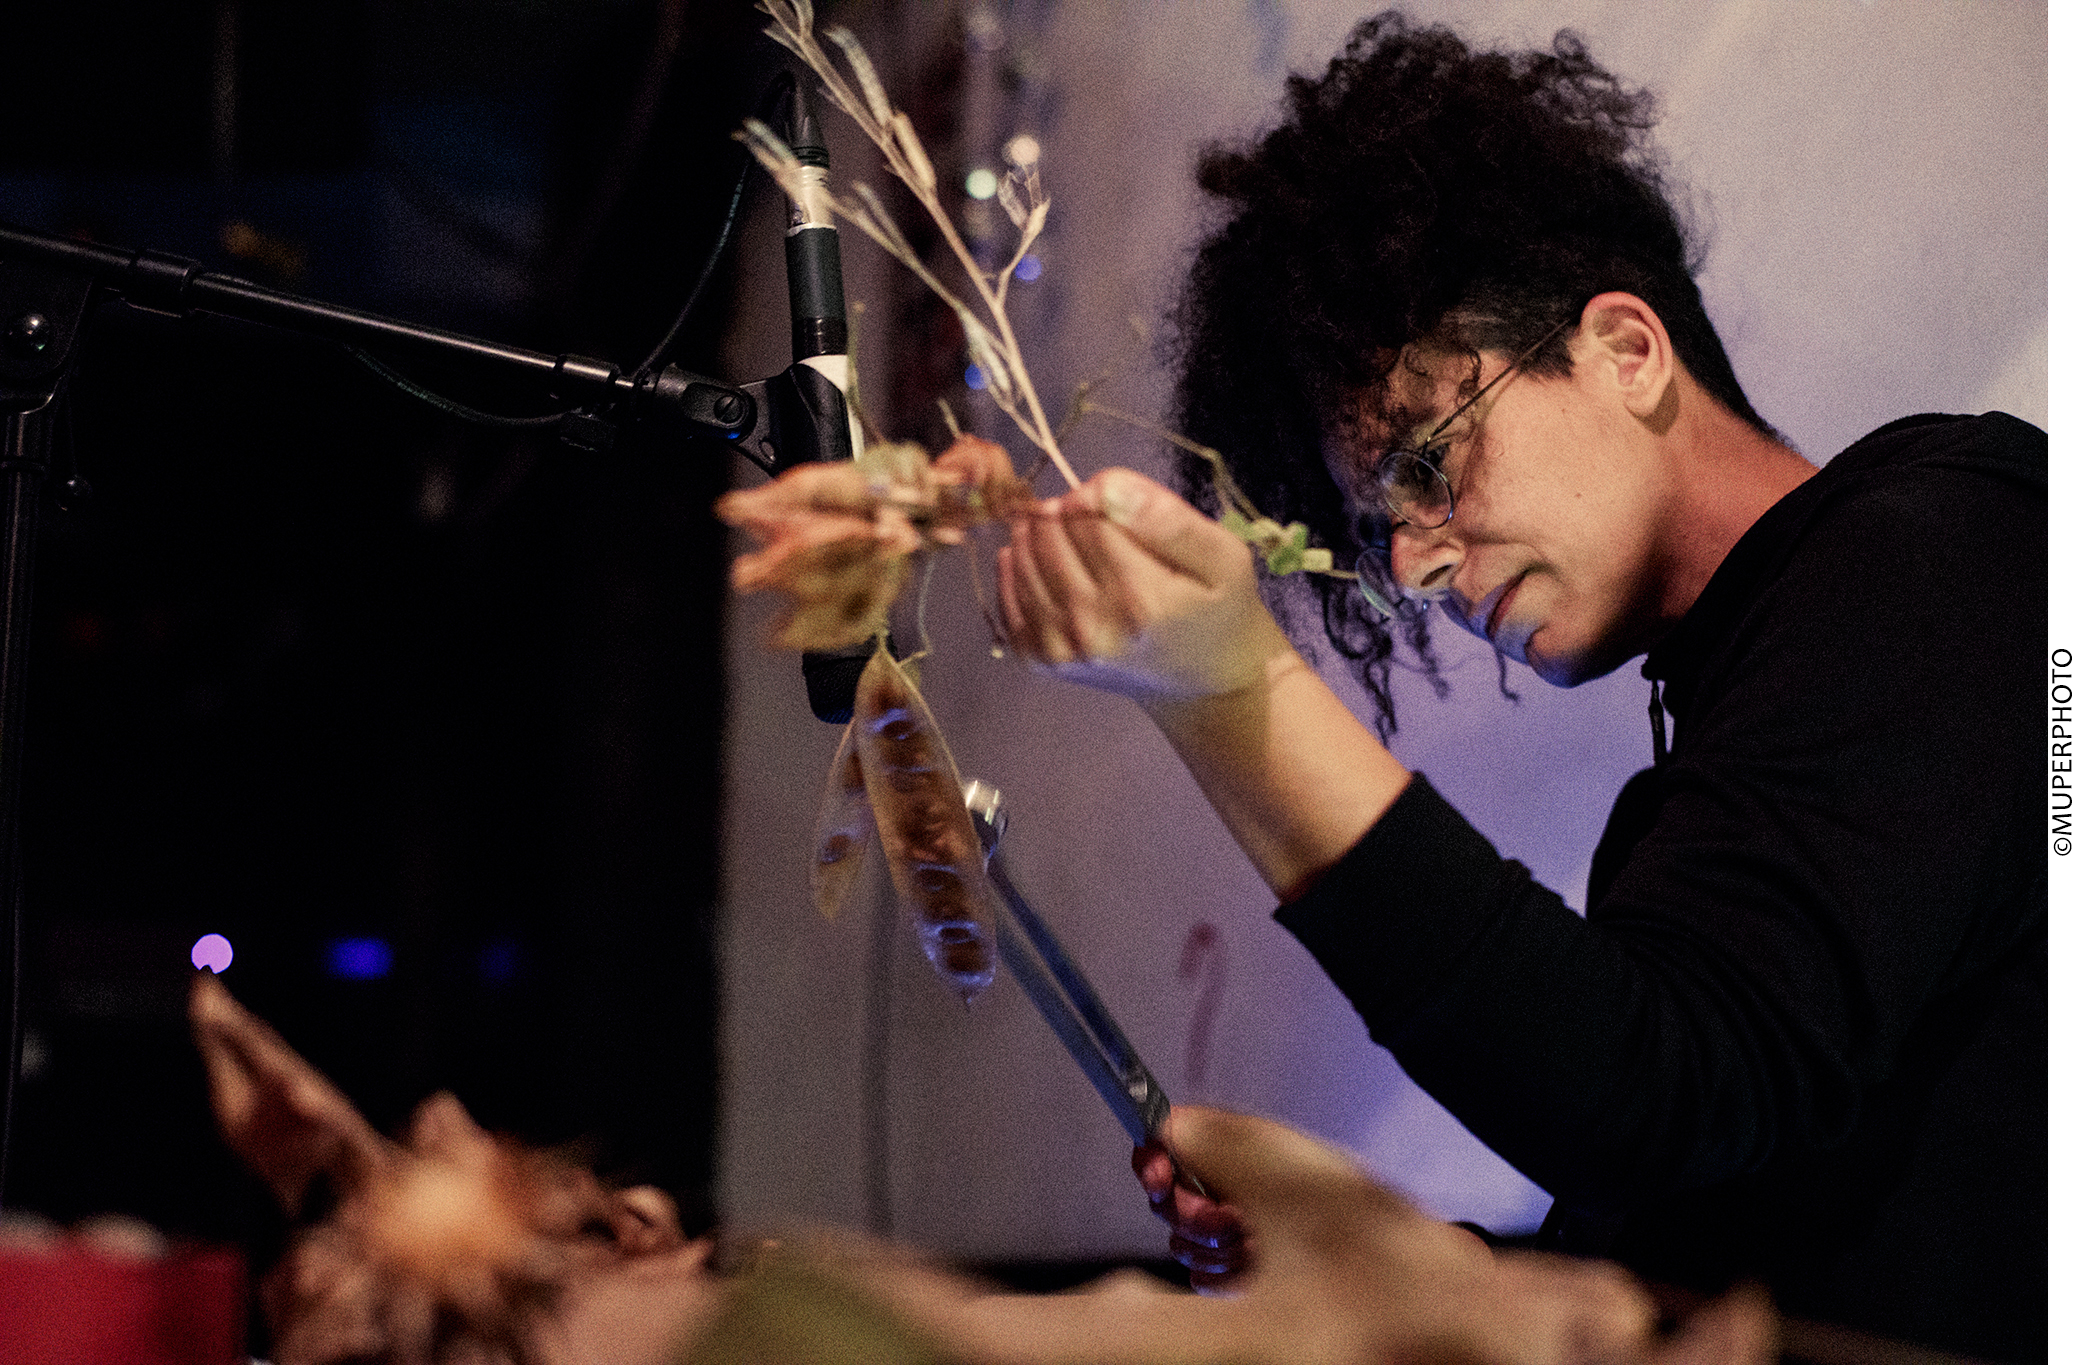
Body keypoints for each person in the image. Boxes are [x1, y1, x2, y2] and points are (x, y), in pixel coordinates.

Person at [991, 13, 2045, 1363]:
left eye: (1428, 466)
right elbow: (1689, 1226)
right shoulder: (1693, 797)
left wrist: (1224, 691)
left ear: (1627, 350)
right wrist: (1407, 1257)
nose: (1419, 564)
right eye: (1378, 535)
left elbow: (1656, 1089)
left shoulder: (1948, 550)